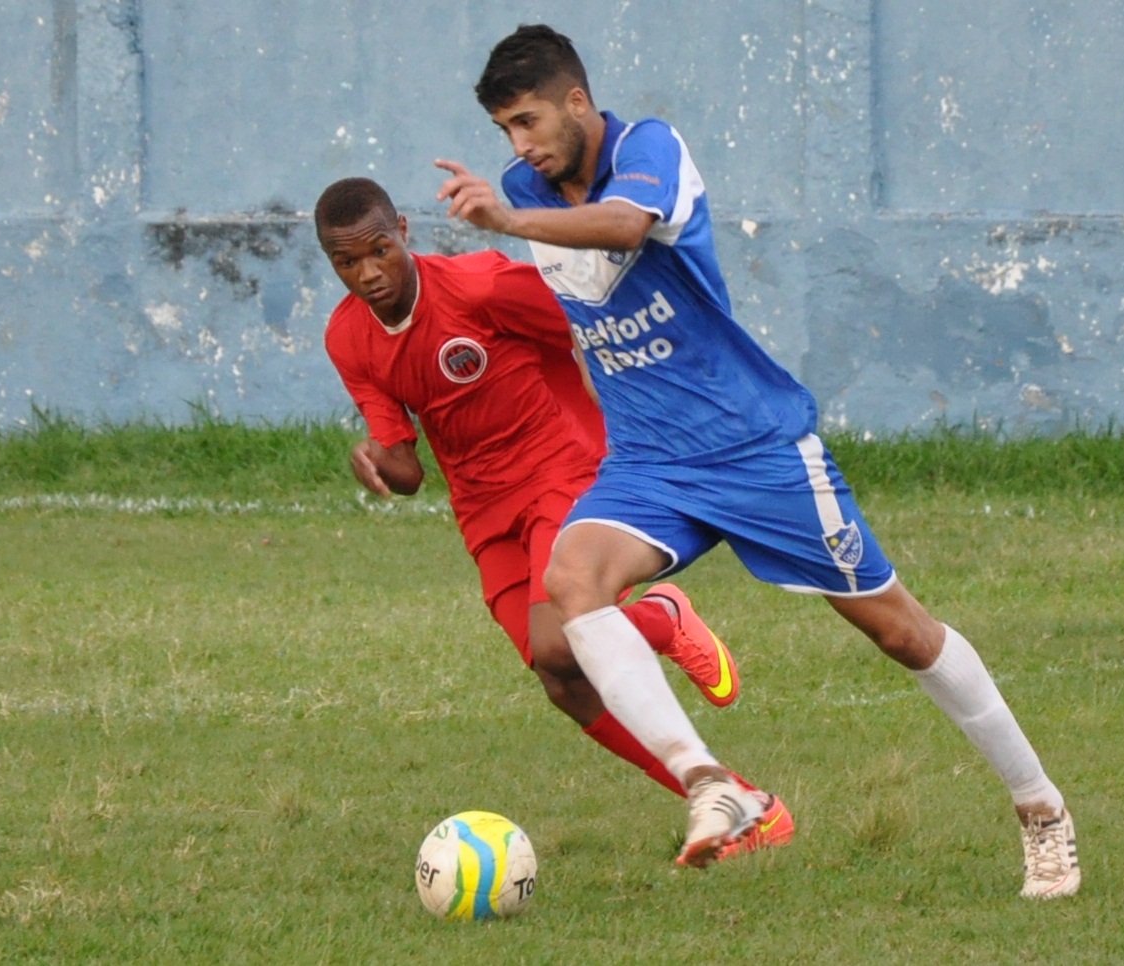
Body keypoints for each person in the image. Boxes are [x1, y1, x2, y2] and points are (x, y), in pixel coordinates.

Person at [434, 23, 1080, 894]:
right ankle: (710, 785)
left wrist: (510, 219)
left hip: (752, 447)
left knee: (900, 631)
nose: (520, 147)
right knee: (573, 577)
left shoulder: (648, 149)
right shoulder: (527, 183)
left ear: (577, 101)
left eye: (528, 121)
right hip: (651, 462)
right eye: (506, 132)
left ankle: (1040, 808)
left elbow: (626, 223)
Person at [314, 176, 794, 862]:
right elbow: (408, 469)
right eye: (346, 263)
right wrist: (377, 467)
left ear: (404, 233)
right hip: (483, 509)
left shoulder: (480, 288)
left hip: (559, 468)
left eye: (379, 251)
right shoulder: (349, 338)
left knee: (557, 645)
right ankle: (746, 805)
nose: (368, 274)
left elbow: (590, 320)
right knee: (563, 684)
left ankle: (659, 616)